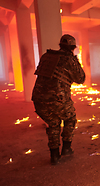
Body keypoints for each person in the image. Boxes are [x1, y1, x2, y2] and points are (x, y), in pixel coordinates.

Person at [32, 34, 85, 165]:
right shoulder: (69, 59)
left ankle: (54, 155)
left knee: (54, 123)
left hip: (38, 99)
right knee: (70, 118)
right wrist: (75, 61)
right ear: (72, 48)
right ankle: (66, 148)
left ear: (60, 45)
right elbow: (81, 78)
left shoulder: (46, 56)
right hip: (57, 99)